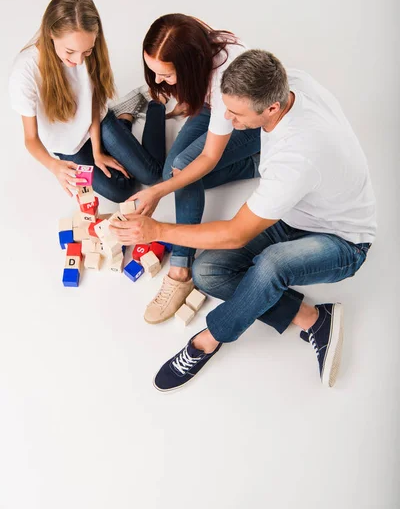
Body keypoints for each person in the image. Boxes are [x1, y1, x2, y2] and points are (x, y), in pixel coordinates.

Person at [110, 49, 377, 391]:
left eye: (236, 115)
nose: (229, 122)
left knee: (272, 264)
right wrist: (161, 189)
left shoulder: (297, 159)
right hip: (295, 212)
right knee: (207, 273)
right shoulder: (289, 81)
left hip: (342, 240)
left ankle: (210, 338)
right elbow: (211, 153)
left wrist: (156, 229)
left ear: (272, 108)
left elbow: (235, 234)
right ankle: (312, 318)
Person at [127, 14, 261, 323]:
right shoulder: (199, 49)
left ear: (189, 65)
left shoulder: (226, 80)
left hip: (246, 122)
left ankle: (180, 269)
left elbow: (207, 159)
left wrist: (157, 193)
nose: (158, 81)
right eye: (153, 71)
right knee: (173, 173)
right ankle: (254, 164)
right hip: (213, 107)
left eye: (167, 75)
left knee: (184, 168)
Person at [9, 0, 166, 203]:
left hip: (97, 120)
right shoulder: (25, 71)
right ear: (50, 34)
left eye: (87, 51)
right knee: (123, 192)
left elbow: (91, 100)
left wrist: (98, 151)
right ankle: (125, 117)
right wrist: (54, 166)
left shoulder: (86, 53)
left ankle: (156, 102)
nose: (79, 60)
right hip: (68, 145)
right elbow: (30, 139)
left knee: (152, 174)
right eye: (70, 51)